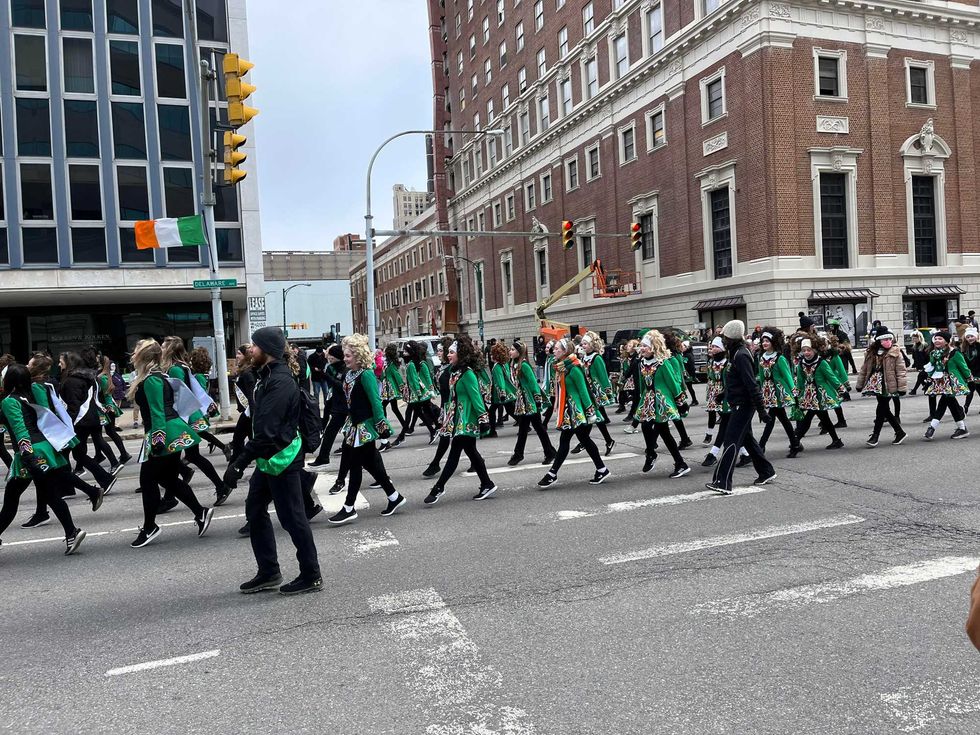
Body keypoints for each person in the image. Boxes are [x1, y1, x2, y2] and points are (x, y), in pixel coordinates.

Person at [220, 327, 321, 595]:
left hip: (283, 459)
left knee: (293, 519)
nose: (250, 350)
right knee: (255, 510)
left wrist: (239, 464)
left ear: (267, 350)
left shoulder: (281, 382)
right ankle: (269, 572)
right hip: (268, 459)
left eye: (254, 346)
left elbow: (267, 432)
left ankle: (311, 574)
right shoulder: (266, 376)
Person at [0, 364, 95, 555]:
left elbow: (20, 432)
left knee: (11, 501)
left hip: (31, 453)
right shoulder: (32, 394)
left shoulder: (10, 401)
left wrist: (28, 457)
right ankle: (72, 531)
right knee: (49, 494)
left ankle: (73, 530)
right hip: (45, 448)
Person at [127, 339, 214, 548]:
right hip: (169, 432)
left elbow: (158, 413)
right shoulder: (158, 376)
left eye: (136, 350)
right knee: (168, 480)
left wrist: (157, 442)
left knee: (148, 481)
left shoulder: (152, 380)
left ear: (143, 356)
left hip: (164, 433)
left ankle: (150, 527)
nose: (132, 354)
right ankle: (200, 512)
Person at [325, 334, 406, 526]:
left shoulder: (367, 374)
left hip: (365, 427)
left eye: (348, 356)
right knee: (371, 464)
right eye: (344, 355)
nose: (345, 359)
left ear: (358, 355)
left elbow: (376, 402)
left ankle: (349, 507)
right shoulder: (349, 374)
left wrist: (382, 425)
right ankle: (394, 496)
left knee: (356, 465)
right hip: (354, 425)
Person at [424, 336, 497, 504]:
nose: (448, 355)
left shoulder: (467, 373)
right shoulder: (455, 371)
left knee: (454, 454)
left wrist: (483, 419)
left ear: (460, 354)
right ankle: (487, 483)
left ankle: (438, 488)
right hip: (458, 419)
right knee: (472, 452)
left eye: (451, 352)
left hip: (467, 420)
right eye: (448, 352)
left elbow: (476, 397)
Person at [705, 321, 775, 495]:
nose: (724, 340)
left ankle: (723, 482)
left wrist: (761, 410)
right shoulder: (735, 353)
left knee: (731, 441)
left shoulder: (741, 355)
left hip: (744, 405)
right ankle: (767, 471)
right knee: (747, 440)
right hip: (738, 402)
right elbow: (736, 380)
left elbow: (751, 384)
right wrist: (724, 394)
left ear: (731, 338)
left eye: (725, 337)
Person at [160, 337, 230, 506]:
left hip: (184, 417)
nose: (161, 348)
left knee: (178, 458)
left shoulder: (175, 369)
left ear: (169, 349)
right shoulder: (180, 366)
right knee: (188, 457)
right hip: (187, 416)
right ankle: (171, 496)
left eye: (163, 346)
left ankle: (171, 498)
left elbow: (179, 396)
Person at [537, 338, 610, 488]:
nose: (554, 351)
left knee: (572, 440)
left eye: (557, 348)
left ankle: (552, 474)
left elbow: (583, 390)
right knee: (579, 440)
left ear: (565, 351)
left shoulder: (574, 367)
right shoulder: (563, 367)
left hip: (578, 411)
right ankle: (601, 469)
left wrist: (590, 413)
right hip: (570, 411)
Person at [59, 351, 119, 492]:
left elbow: (73, 406)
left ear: (69, 364)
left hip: (80, 421)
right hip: (91, 419)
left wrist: (67, 426)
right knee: (77, 453)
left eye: (61, 362)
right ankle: (71, 486)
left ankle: (102, 479)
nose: (59, 364)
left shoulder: (71, 381)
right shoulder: (88, 377)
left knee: (68, 453)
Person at [634, 330, 691, 479]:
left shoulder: (663, 362)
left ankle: (677, 462)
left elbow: (673, 383)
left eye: (645, 346)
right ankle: (655, 454)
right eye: (641, 346)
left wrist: (681, 401)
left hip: (661, 401)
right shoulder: (642, 362)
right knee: (647, 426)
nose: (642, 348)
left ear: (654, 347)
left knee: (662, 431)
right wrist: (642, 399)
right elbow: (642, 383)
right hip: (648, 400)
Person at [855, 327, 907, 447]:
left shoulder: (895, 352)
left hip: (889, 385)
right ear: (878, 341)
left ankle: (875, 436)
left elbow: (901, 371)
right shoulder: (871, 353)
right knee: (885, 410)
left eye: (889, 339)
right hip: (876, 385)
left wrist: (902, 388)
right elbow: (864, 369)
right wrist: (859, 384)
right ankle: (899, 432)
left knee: (880, 410)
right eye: (884, 339)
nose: (888, 341)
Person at [507, 339, 555, 466]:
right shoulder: (515, 364)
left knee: (538, 429)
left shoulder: (524, 365)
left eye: (512, 349)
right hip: (523, 402)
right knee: (526, 429)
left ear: (519, 352)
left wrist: (538, 400)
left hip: (530, 402)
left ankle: (547, 452)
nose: (510, 351)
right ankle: (520, 454)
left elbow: (533, 384)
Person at [793, 336, 846, 451]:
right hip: (809, 395)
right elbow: (800, 380)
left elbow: (831, 377)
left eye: (809, 350)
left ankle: (796, 441)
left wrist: (841, 388)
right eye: (804, 350)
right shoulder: (801, 363)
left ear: (814, 350)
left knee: (808, 418)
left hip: (821, 394)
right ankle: (836, 440)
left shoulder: (821, 362)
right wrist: (798, 392)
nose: (806, 352)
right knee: (824, 418)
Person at [756, 327, 801, 458]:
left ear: (773, 342)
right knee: (782, 419)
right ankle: (795, 444)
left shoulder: (779, 358)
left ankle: (761, 446)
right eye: (763, 341)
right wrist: (760, 391)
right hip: (768, 392)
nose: (764, 343)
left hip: (779, 393)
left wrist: (794, 391)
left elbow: (787, 375)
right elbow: (761, 376)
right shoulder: (761, 357)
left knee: (773, 419)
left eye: (767, 341)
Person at [923, 330, 972, 441]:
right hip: (940, 382)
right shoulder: (933, 353)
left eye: (940, 339)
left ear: (946, 342)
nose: (937, 340)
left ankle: (932, 427)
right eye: (935, 338)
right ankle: (962, 428)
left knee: (943, 403)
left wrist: (969, 378)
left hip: (951, 382)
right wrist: (929, 377)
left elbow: (963, 366)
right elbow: (932, 367)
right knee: (951, 404)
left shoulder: (954, 353)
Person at [576, 332, 617, 457]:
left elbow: (603, 376)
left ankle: (586, 441)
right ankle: (607, 441)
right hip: (588, 390)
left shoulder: (597, 358)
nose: (583, 346)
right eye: (582, 344)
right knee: (595, 416)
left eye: (586, 344)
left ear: (593, 344)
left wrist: (608, 392)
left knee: (594, 415)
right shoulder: (584, 357)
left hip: (596, 391)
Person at [188, 347, 231, 460]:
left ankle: (189, 458)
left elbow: (199, 394)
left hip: (198, 411)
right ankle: (222, 447)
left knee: (198, 433)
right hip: (200, 410)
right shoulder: (203, 375)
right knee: (201, 433)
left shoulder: (198, 377)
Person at [308, 344, 347, 468]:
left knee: (343, 434)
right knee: (332, 433)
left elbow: (341, 387)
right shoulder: (335, 367)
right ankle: (323, 457)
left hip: (344, 407)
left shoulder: (344, 369)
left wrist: (326, 376)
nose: (329, 357)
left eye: (331, 355)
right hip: (338, 407)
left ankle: (324, 457)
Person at [98, 356, 133, 467]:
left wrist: (108, 406)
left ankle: (123, 454)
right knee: (108, 432)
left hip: (106, 408)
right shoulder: (105, 376)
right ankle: (122, 454)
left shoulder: (102, 377)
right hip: (107, 407)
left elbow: (106, 394)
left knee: (107, 432)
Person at [231, 345, 256, 464]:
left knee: (238, 442)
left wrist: (253, 415)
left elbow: (251, 396)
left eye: (239, 353)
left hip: (249, 414)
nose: (236, 356)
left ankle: (232, 473)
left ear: (246, 356)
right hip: (247, 412)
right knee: (251, 443)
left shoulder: (248, 373)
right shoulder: (243, 371)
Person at [380, 343, 408, 439]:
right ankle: (405, 425)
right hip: (386, 388)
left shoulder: (391, 365)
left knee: (383, 407)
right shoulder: (387, 363)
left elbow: (397, 377)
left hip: (390, 390)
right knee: (394, 409)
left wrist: (402, 388)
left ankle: (385, 428)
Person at [490, 341, 517, 430]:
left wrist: (502, 393)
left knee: (493, 410)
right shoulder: (504, 364)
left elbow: (500, 380)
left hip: (501, 394)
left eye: (492, 354)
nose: (490, 356)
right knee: (510, 410)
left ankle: (492, 430)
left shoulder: (497, 367)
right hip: (506, 391)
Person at [960, 328, 980, 414]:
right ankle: (966, 406)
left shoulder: (979, 346)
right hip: (969, 372)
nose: (970, 338)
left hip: (979, 372)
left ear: (976, 337)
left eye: (972, 336)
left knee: (979, 389)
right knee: (970, 390)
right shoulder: (964, 348)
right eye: (968, 337)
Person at [909, 331, 930, 396]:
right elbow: (914, 357)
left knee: (920, 377)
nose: (914, 339)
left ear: (920, 338)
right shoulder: (914, 347)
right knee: (923, 378)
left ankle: (914, 390)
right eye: (913, 338)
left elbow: (927, 356)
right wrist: (914, 364)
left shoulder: (924, 345)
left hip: (926, 365)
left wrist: (928, 364)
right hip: (919, 365)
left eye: (915, 338)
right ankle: (926, 388)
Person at [308, 345, 329, 410]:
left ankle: (327, 405)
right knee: (316, 393)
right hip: (315, 377)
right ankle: (316, 406)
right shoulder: (311, 357)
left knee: (326, 392)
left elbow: (327, 363)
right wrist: (314, 368)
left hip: (324, 377)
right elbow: (309, 366)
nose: (320, 354)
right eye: (318, 353)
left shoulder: (324, 356)